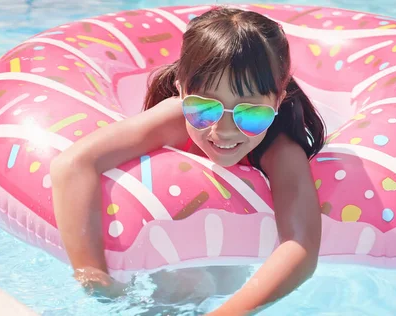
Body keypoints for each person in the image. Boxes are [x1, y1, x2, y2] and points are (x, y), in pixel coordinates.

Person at [49, 6, 326, 315]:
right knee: (186, 285)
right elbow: (73, 165)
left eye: (250, 113)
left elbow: (300, 248)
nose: (223, 131)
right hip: (168, 255)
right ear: (181, 89)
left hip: (233, 258)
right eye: (204, 109)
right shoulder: (172, 118)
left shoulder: (280, 148)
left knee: (204, 286)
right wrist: (94, 275)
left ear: (278, 98)